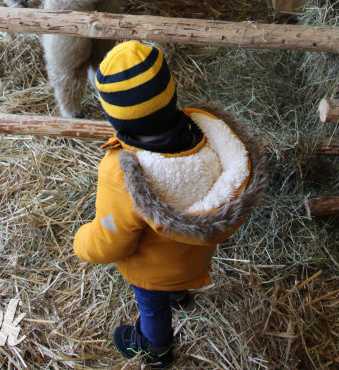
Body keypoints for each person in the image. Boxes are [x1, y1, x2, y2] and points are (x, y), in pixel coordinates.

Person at [73, 41, 266, 368]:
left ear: (118, 122)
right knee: (173, 275)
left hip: (154, 269)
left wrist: (83, 244)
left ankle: (156, 348)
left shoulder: (124, 173)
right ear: (170, 96)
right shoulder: (205, 135)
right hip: (193, 257)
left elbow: (111, 239)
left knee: (151, 306)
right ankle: (180, 293)